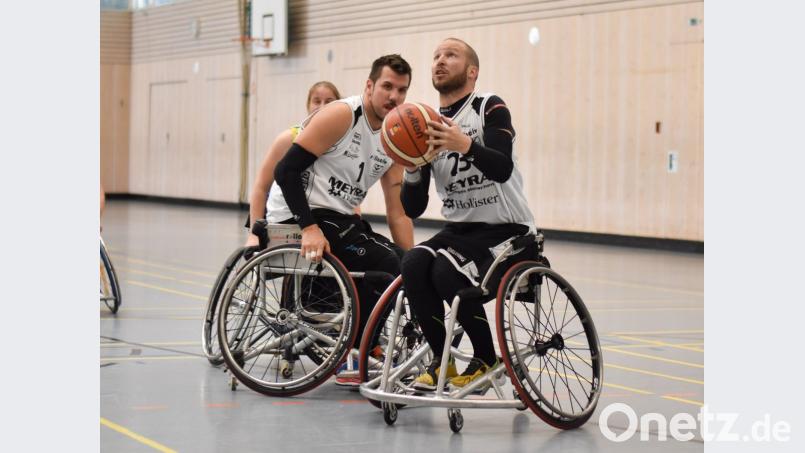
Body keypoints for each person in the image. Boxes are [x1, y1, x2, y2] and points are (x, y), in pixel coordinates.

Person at [400, 38, 537, 391]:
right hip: (459, 232)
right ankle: (441, 361)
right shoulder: (425, 124)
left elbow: (502, 168)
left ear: (472, 71)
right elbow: (413, 209)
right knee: (413, 263)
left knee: (447, 270)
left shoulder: (489, 106)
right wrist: (412, 167)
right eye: (436, 56)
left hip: (508, 230)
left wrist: (465, 145)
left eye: (451, 55)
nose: (440, 60)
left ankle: (486, 358)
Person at [270, 54, 415, 385]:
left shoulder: (395, 135)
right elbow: (285, 171)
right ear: (369, 85)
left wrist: (411, 263)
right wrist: (308, 228)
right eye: (387, 86)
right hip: (302, 212)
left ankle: (365, 344)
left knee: (402, 264)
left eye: (402, 90)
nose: (394, 96)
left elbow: (397, 212)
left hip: (341, 217)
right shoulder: (342, 115)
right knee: (384, 265)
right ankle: (354, 353)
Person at [245, 81, 341, 247]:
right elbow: (261, 187)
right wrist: (254, 235)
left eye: (329, 101)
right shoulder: (288, 139)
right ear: (308, 105)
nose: (322, 107)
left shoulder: (341, 144)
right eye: (317, 101)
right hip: (286, 216)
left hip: (322, 215)